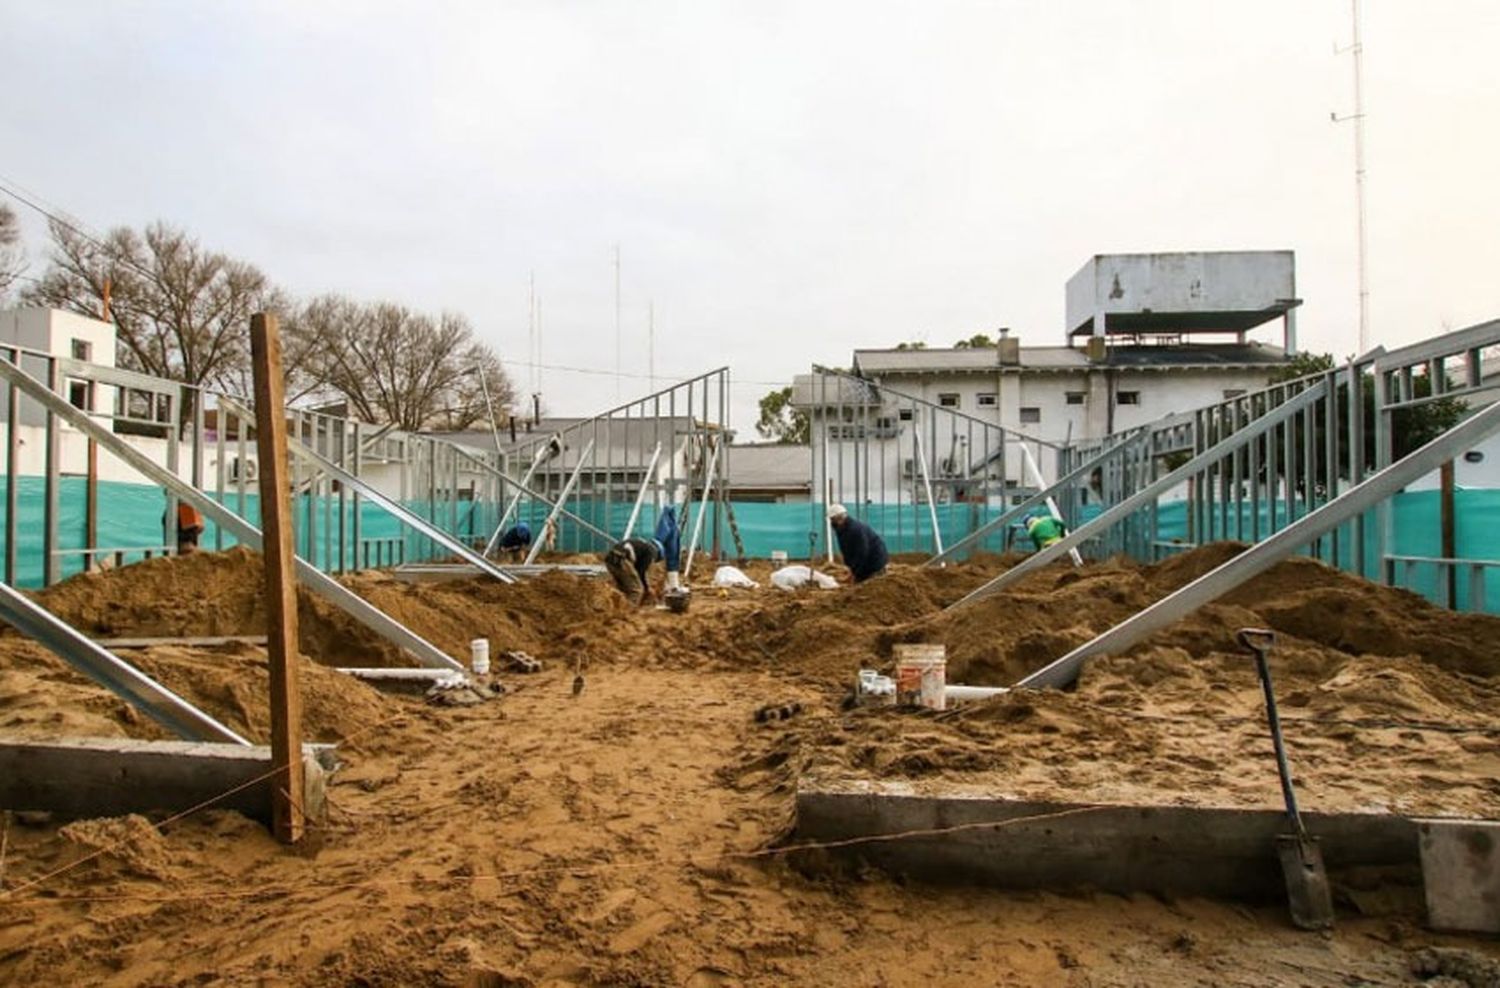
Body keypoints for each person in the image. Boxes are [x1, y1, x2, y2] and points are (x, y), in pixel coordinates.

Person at [827, 503, 888, 583]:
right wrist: (852, 571)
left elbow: (862, 553)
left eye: (833, 519)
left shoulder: (855, 530)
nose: (831, 522)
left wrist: (855, 574)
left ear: (840, 518)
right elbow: (848, 551)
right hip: (865, 562)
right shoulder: (842, 530)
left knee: (864, 586)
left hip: (874, 563)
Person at [604, 536, 664, 605]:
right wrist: (647, 588)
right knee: (636, 590)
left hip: (610, 560)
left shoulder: (641, 545)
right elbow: (640, 572)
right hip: (622, 560)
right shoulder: (651, 551)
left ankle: (617, 608)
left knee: (623, 588)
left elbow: (636, 570)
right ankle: (629, 611)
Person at [656, 505, 682, 592]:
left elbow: (660, 537)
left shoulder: (667, 524)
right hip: (669, 552)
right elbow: (661, 538)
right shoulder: (670, 524)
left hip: (670, 552)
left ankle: (672, 586)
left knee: (671, 566)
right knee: (670, 566)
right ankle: (672, 586)